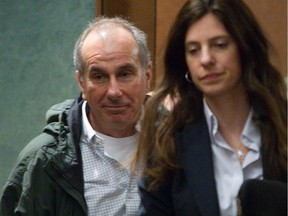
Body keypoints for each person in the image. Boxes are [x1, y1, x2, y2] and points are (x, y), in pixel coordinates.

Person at [134, 0, 287, 215]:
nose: (205, 59)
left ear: (245, 48)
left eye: (220, 45)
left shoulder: (282, 124)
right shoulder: (169, 140)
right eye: (193, 50)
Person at [0, 16, 152, 216]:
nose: (114, 92)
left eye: (125, 74)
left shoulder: (177, 142)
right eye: (99, 76)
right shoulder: (43, 159)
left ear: (147, 76)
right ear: (81, 83)